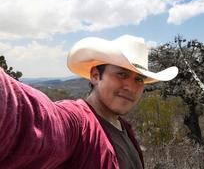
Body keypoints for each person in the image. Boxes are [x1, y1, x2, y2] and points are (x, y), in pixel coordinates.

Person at [0, 35, 178, 169]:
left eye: (139, 79)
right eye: (121, 74)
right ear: (95, 75)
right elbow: (31, 120)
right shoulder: (77, 123)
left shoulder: (124, 128)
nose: (131, 87)